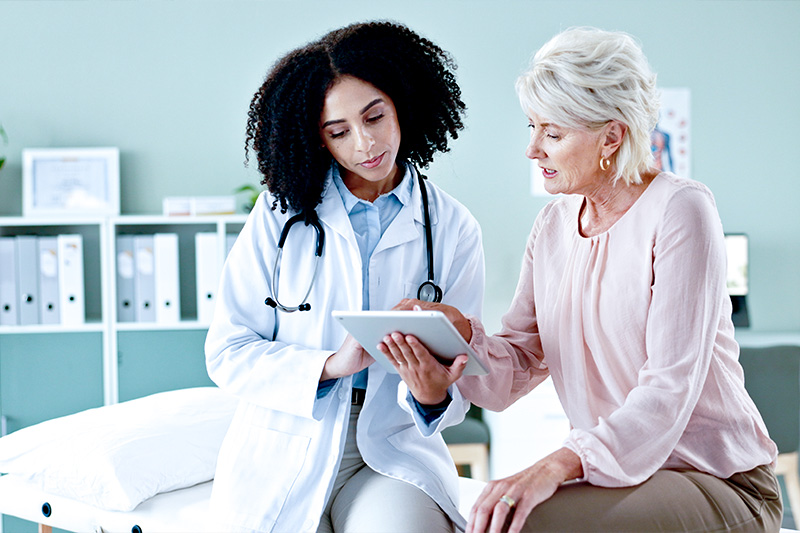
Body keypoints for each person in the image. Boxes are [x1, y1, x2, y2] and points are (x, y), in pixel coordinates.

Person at [380, 27, 782, 532]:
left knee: (524, 522)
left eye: (553, 133)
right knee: (495, 517)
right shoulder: (552, 227)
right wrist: (460, 339)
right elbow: (518, 366)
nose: (532, 149)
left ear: (611, 136)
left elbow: (668, 390)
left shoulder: (680, 209)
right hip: (626, 478)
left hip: (717, 479)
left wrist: (555, 465)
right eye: (532, 127)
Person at [204, 21, 485, 533]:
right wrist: (332, 364)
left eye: (375, 116)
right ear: (318, 139)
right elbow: (228, 352)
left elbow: (464, 371)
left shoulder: (452, 227)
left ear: (401, 103)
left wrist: (431, 395)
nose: (366, 143)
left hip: (391, 446)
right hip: (287, 443)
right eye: (339, 131)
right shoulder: (278, 216)